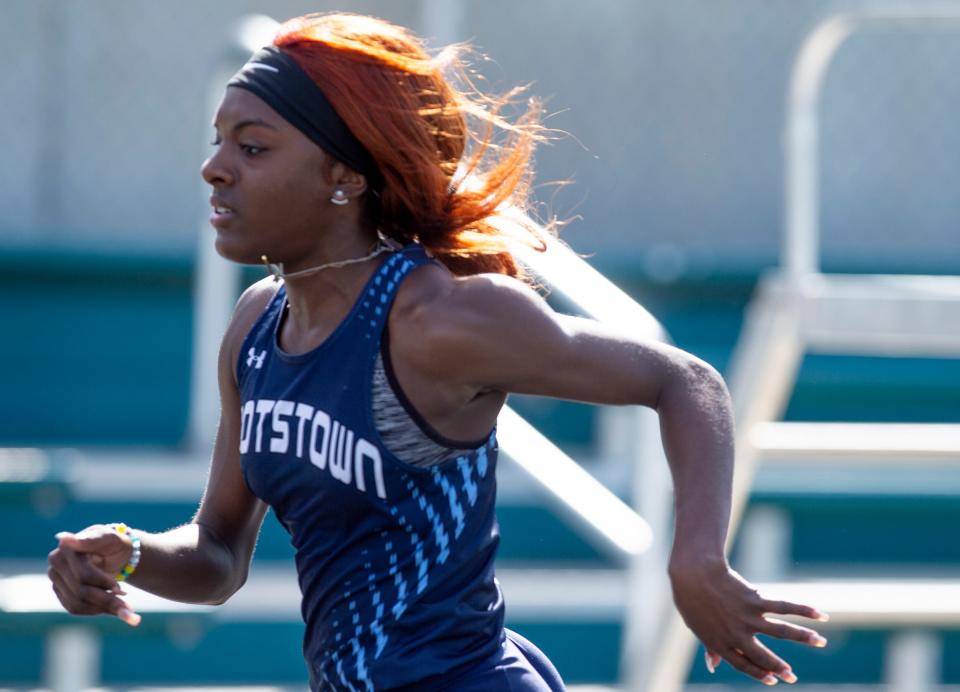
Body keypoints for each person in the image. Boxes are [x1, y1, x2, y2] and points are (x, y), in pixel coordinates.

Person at [47, 11, 828, 691]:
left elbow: (684, 379)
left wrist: (696, 559)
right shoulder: (255, 328)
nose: (214, 168)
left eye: (252, 147)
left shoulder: (438, 318)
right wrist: (125, 555)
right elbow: (218, 554)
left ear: (343, 176)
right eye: (218, 142)